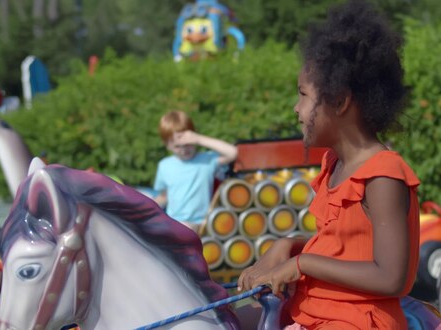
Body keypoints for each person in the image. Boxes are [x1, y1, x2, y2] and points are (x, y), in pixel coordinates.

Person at [237, 1, 420, 329]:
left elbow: (392, 278)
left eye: (303, 95)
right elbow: (342, 247)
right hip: (312, 314)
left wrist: (300, 263)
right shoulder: (334, 163)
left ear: (339, 102)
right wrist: (287, 246)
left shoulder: (383, 175)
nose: (296, 109)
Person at [153, 110, 237, 232]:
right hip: (174, 222)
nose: (184, 149)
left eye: (188, 143)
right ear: (167, 145)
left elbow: (233, 152)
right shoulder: (165, 165)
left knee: (187, 228)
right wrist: (144, 207)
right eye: (177, 146)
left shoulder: (207, 160)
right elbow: (164, 196)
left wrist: (199, 139)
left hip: (202, 224)